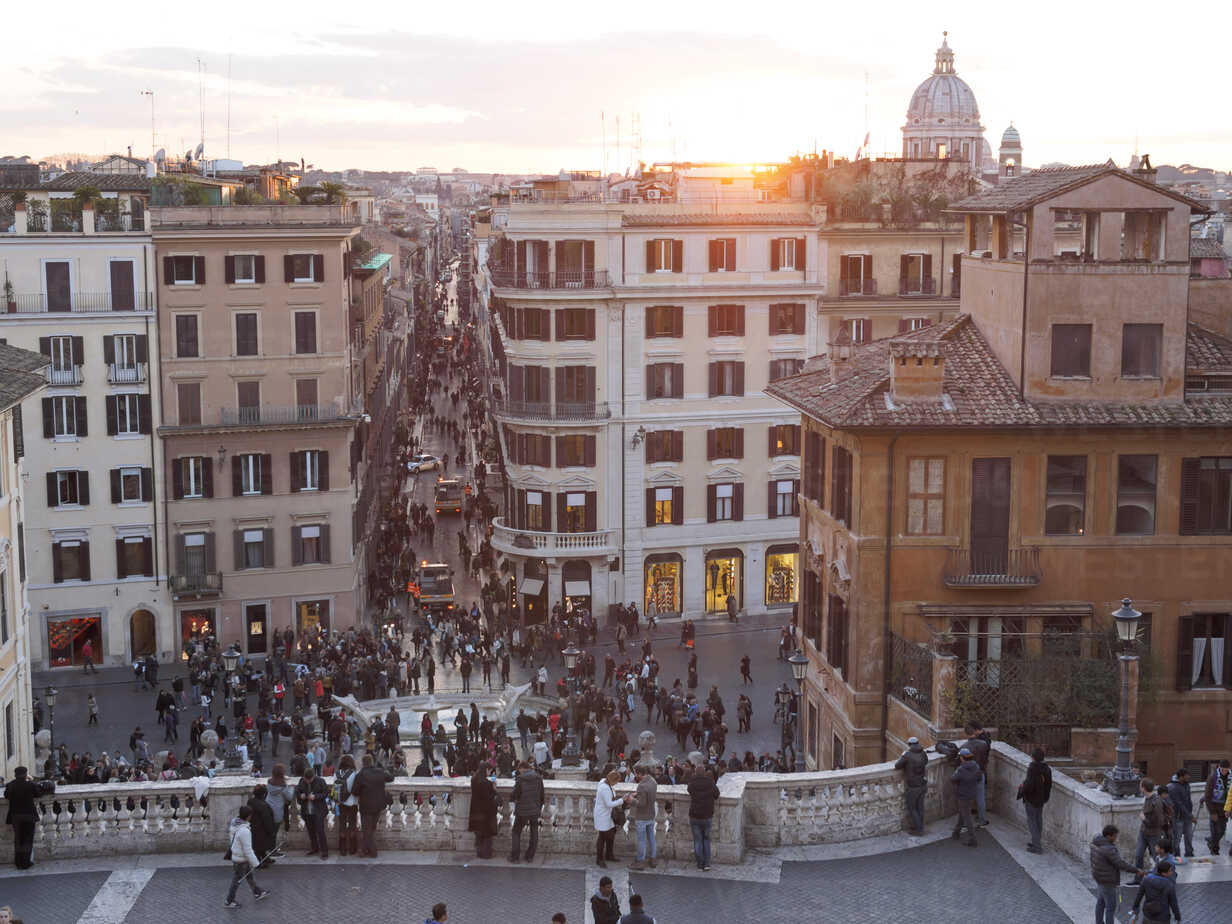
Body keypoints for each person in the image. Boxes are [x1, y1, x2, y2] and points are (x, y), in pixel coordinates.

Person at [1090, 823, 1143, 924]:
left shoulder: (1096, 843)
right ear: (1108, 836)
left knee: (1100, 904)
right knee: (1110, 907)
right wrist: (1136, 870)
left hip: (1099, 878)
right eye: (1114, 836)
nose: (1116, 838)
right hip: (1108, 881)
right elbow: (1121, 864)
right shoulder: (1108, 849)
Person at [223, 804, 271, 908]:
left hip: (237, 856)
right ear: (249, 816)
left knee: (249, 876)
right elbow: (248, 850)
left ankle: (257, 892)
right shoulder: (244, 831)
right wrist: (256, 863)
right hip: (241, 859)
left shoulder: (234, 825)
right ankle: (229, 900)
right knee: (237, 881)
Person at [352, 753, 394, 858]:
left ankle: (372, 851)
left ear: (362, 763)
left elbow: (355, 791)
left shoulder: (360, 775)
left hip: (366, 806)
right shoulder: (379, 772)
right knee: (371, 829)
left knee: (367, 830)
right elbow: (390, 778)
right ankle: (364, 850)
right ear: (372, 762)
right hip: (379, 805)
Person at [593, 768, 631, 868]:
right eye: (617, 781)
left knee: (610, 835)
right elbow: (609, 804)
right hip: (603, 815)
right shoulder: (605, 788)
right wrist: (622, 800)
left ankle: (609, 855)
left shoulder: (604, 783)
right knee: (602, 837)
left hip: (607, 815)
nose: (617, 783)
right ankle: (599, 859)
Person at [510, 760, 545, 863]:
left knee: (516, 832)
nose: (519, 772)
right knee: (534, 832)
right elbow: (542, 795)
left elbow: (514, 794)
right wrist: (539, 807)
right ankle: (530, 856)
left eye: (519, 770)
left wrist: (514, 799)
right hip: (535, 810)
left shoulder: (520, 779)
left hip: (522, 810)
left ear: (522, 768)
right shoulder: (538, 778)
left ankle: (515, 857)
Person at [687, 763, 720, 871]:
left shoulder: (692, 783)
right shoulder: (710, 782)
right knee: (706, 839)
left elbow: (689, 790)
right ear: (705, 772)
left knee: (697, 840)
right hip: (707, 816)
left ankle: (699, 864)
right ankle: (707, 864)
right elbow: (717, 794)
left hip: (695, 816)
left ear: (695, 772)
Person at [1020, 747, 1053, 854]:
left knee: (1032, 822)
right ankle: (1036, 842)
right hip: (1041, 798)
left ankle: (1037, 847)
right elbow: (1049, 784)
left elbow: (1029, 784)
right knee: (1038, 819)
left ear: (1033, 757)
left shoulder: (1032, 769)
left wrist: (1022, 789)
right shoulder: (1047, 769)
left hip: (1031, 798)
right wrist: (1046, 797)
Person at [3, 767, 37, 870]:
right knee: (27, 839)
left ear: (15, 774)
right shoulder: (30, 784)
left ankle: (18, 862)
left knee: (18, 838)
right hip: (28, 815)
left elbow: (6, 795)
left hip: (15, 815)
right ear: (26, 774)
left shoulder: (10, 785)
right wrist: (32, 781)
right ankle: (26, 862)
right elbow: (38, 793)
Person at [894, 736, 928, 835]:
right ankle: (920, 827)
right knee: (920, 807)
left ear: (909, 744)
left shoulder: (907, 755)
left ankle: (919, 830)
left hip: (913, 786)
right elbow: (926, 762)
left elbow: (897, 765)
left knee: (912, 808)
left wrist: (903, 755)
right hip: (923, 784)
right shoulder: (923, 753)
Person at [1134, 777, 1166, 877]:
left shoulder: (1156, 802)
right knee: (1138, 856)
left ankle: (1160, 877)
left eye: (1140, 785)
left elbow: (1160, 821)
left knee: (1156, 856)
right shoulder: (1147, 798)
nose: (1139, 787)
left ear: (1143, 788)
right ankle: (1138, 878)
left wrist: (1144, 819)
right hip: (1143, 832)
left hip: (1154, 834)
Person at [296, 766, 329, 859]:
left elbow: (326, 793)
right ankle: (314, 848)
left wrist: (316, 796)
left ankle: (324, 851)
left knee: (320, 831)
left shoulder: (321, 781)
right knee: (311, 831)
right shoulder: (301, 781)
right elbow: (297, 792)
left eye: (309, 780)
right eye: (306, 780)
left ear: (313, 777)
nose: (308, 782)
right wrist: (300, 795)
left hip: (318, 811)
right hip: (307, 811)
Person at [950, 747, 981, 847]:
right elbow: (979, 778)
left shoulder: (961, 769)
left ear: (962, 758)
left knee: (967, 817)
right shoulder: (976, 766)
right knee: (963, 812)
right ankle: (956, 832)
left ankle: (973, 839)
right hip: (972, 793)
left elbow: (953, 779)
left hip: (963, 795)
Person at [630, 764, 658, 870]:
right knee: (651, 838)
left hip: (642, 817)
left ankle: (640, 861)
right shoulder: (653, 781)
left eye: (635, 773)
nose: (635, 776)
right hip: (651, 814)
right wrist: (638, 794)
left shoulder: (641, 785)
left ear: (639, 774)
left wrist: (631, 800)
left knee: (641, 840)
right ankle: (653, 859)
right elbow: (646, 795)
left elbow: (641, 803)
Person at [468, 766, 499, 859]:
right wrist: (494, 788)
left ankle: (479, 852)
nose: (490, 772)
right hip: (486, 811)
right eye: (489, 770)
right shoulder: (487, 783)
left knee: (479, 832)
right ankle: (486, 853)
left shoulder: (474, 780)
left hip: (475, 810)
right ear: (485, 770)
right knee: (487, 833)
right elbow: (490, 796)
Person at [1203, 758, 1230, 854]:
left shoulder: (1231, 777)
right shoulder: (1212, 777)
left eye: (1226, 770)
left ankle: (1211, 841)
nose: (1224, 772)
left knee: (1222, 831)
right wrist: (1212, 812)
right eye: (1223, 769)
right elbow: (1207, 796)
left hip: (1227, 809)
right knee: (1215, 831)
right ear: (1219, 767)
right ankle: (1214, 850)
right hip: (1215, 809)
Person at [1166, 768, 1194, 858]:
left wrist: (1190, 813)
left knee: (1189, 836)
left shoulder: (1186, 785)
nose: (1189, 777)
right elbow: (1179, 804)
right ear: (1181, 777)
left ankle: (1189, 853)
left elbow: (1188, 800)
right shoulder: (1172, 787)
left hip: (1187, 816)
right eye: (1187, 775)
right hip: (1178, 817)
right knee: (1177, 838)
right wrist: (1190, 815)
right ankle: (1176, 854)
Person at [247, 784, 277, 868]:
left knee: (258, 846)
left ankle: (264, 857)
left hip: (254, 828)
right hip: (262, 830)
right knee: (260, 846)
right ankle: (258, 862)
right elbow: (267, 819)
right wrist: (271, 831)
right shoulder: (263, 806)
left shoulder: (251, 802)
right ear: (264, 794)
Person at [335, 755, 359, 856]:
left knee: (342, 826)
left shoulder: (336, 774)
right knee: (352, 825)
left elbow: (335, 789)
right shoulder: (354, 774)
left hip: (340, 803)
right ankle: (352, 848)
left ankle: (342, 849)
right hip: (352, 803)